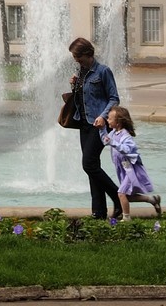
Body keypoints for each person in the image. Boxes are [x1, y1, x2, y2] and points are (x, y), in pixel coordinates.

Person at [65, 36, 121, 219]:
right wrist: (74, 86)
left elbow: (114, 98)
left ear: (88, 54)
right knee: (92, 166)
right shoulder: (80, 72)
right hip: (83, 124)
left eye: (78, 57)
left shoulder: (103, 71)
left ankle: (118, 196)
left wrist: (103, 117)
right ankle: (99, 212)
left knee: (88, 164)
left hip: (99, 126)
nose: (76, 60)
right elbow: (82, 98)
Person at [99, 105, 161, 219]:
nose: (107, 120)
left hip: (130, 169)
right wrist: (101, 129)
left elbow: (127, 149)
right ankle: (152, 200)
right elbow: (105, 140)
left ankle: (126, 217)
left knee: (121, 194)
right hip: (122, 169)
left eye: (109, 119)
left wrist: (113, 142)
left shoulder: (125, 136)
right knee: (126, 196)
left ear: (118, 122)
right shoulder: (113, 133)